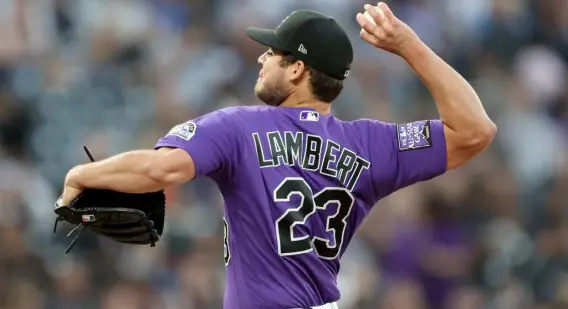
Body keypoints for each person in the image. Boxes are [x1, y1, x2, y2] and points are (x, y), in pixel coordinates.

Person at [59, 3, 496, 309]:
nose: (261, 60)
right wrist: (409, 46)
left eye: (272, 52)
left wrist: (83, 172)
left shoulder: (239, 126)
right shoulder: (370, 145)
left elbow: (161, 168)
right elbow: (476, 130)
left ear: (297, 69)